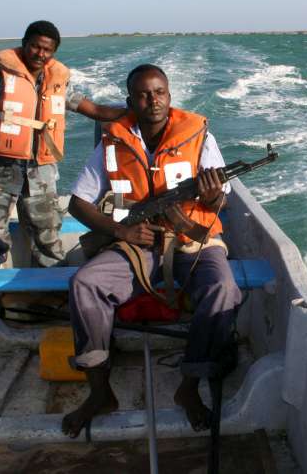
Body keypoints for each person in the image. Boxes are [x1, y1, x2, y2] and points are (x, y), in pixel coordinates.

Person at [61, 64, 242, 438]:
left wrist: (213, 195)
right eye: (144, 94)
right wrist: (121, 230)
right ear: (131, 101)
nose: (153, 100)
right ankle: (99, 393)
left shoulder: (199, 136)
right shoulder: (113, 141)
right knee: (85, 283)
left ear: (170, 97)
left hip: (195, 241)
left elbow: (222, 201)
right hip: (137, 243)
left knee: (223, 289)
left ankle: (189, 387)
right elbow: (78, 203)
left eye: (159, 92)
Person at [0, 20, 126, 268]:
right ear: (24, 44)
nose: (40, 54)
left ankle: (52, 297)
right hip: (0, 168)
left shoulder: (57, 81)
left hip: (41, 169)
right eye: (35, 46)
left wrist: (135, 112)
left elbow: (94, 110)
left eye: (47, 50)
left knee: (47, 235)